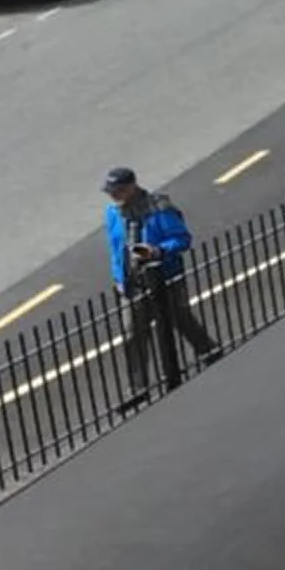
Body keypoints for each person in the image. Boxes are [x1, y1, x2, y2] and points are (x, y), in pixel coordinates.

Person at [103, 166, 220, 400]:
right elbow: (116, 249)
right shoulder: (112, 213)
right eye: (111, 191)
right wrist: (118, 278)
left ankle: (208, 351)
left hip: (164, 278)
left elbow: (182, 239)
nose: (113, 196)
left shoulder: (158, 209)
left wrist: (157, 251)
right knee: (133, 333)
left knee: (179, 318)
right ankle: (137, 388)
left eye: (118, 190)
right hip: (132, 283)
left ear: (132, 187)